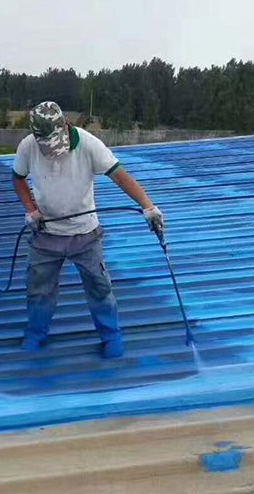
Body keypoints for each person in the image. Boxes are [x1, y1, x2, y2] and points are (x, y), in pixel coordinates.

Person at [12, 101, 164, 358]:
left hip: (84, 233)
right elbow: (17, 178)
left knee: (99, 286)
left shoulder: (88, 144)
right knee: (39, 288)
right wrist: (31, 209)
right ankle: (36, 332)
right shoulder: (28, 146)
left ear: (66, 125)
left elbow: (119, 175)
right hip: (46, 232)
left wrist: (148, 206)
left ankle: (111, 334)